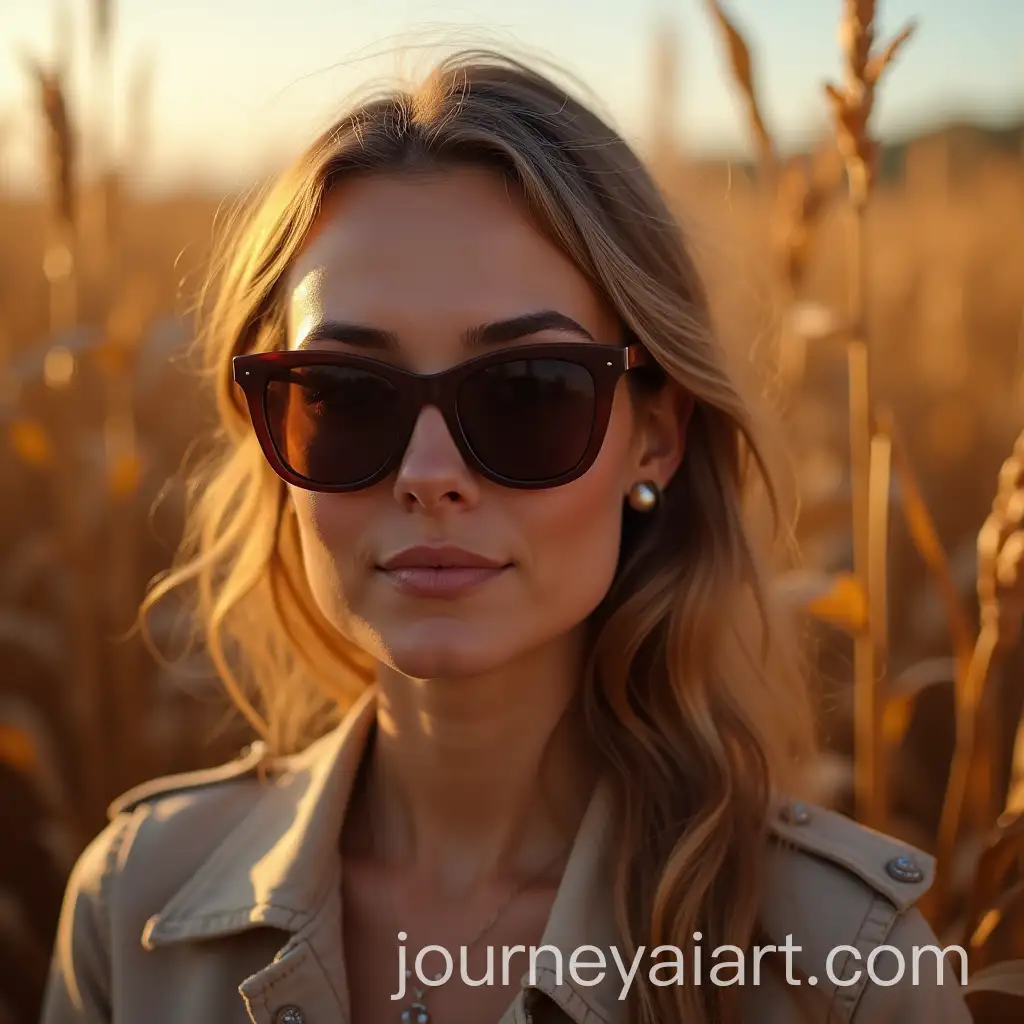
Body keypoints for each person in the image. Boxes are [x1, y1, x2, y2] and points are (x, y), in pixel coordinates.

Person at [40, 50, 971, 1024]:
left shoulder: (842, 968)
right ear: (273, 438)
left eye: (527, 391)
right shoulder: (134, 909)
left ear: (653, 437)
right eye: (344, 396)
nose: (429, 474)